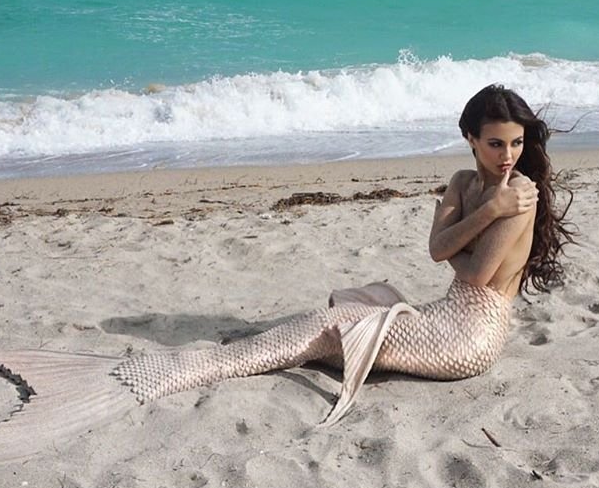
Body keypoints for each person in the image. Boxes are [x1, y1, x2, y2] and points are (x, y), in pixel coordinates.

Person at [114, 84, 575, 425]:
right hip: (445, 315)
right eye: (496, 143)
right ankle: (249, 350)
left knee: (329, 327)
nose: (508, 155)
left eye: (516, 142)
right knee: (338, 320)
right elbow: (437, 251)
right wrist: (477, 220)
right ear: (470, 138)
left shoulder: (520, 196)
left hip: (470, 339)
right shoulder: (463, 182)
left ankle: (202, 366)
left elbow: (472, 275)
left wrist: (472, 224)